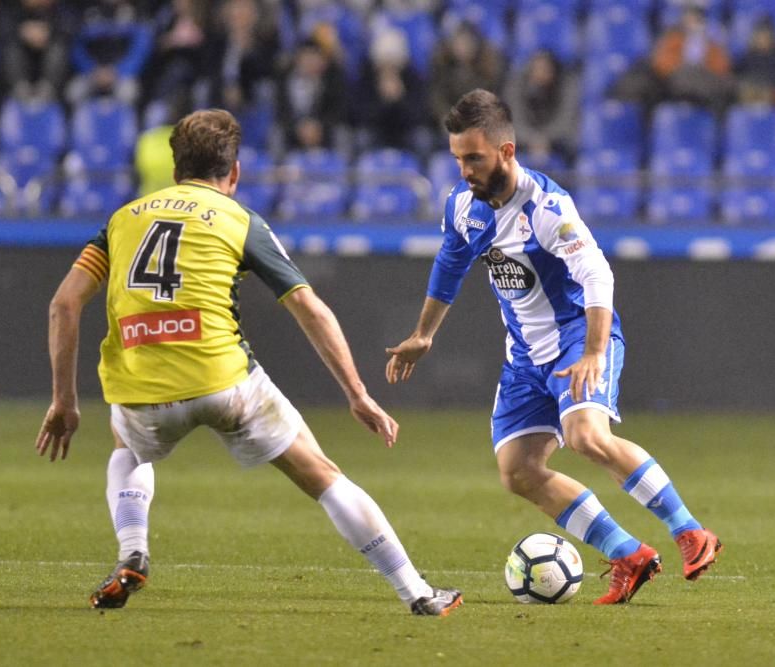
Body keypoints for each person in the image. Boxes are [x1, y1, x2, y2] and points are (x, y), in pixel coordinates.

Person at [35, 108, 461, 617]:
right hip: (225, 380)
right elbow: (308, 306)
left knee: (127, 449)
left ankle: (132, 550)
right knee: (322, 476)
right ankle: (415, 591)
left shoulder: (122, 220)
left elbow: (64, 305)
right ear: (233, 174)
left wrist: (64, 399)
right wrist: (357, 393)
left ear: (175, 172)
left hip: (142, 387)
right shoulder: (241, 221)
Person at [385, 90, 722, 605]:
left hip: (576, 338)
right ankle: (629, 555)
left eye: (473, 157)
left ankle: (691, 532)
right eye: (457, 158)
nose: (464, 169)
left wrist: (592, 352)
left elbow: (597, 274)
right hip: (524, 354)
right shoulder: (462, 206)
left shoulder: (546, 208)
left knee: (586, 436)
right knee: (518, 472)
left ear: (507, 152)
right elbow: (449, 266)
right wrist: (424, 333)